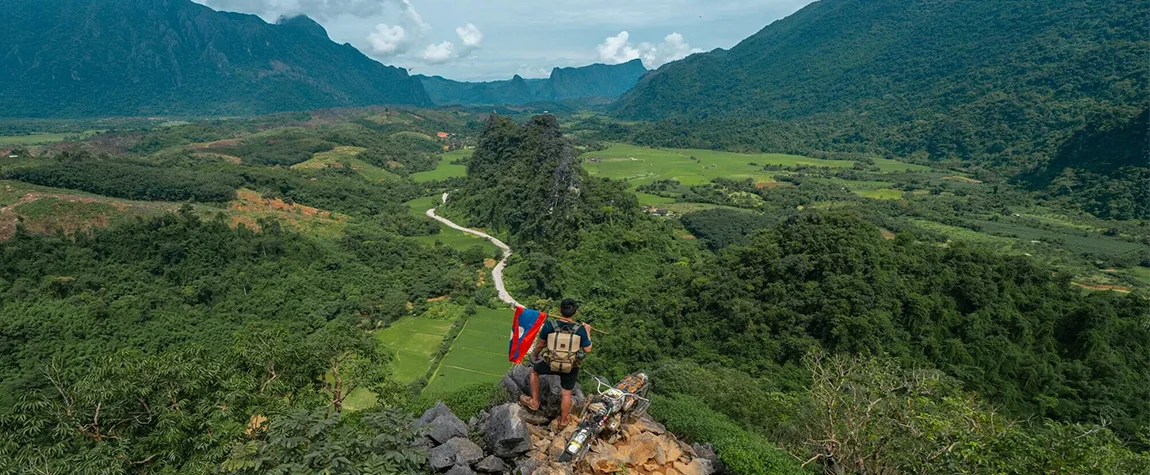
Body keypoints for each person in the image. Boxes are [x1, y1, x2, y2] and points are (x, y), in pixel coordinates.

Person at [519, 298, 592, 426]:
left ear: (559, 309)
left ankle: (534, 402)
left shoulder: (550, 325)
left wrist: (535, 355)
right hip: (570, 366)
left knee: (534, 371)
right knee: (566, 393)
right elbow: (587, 349)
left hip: (550, 362)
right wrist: (588, 331)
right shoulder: (580, 329)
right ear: (576, 312)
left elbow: (540, 345)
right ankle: (563, 421)